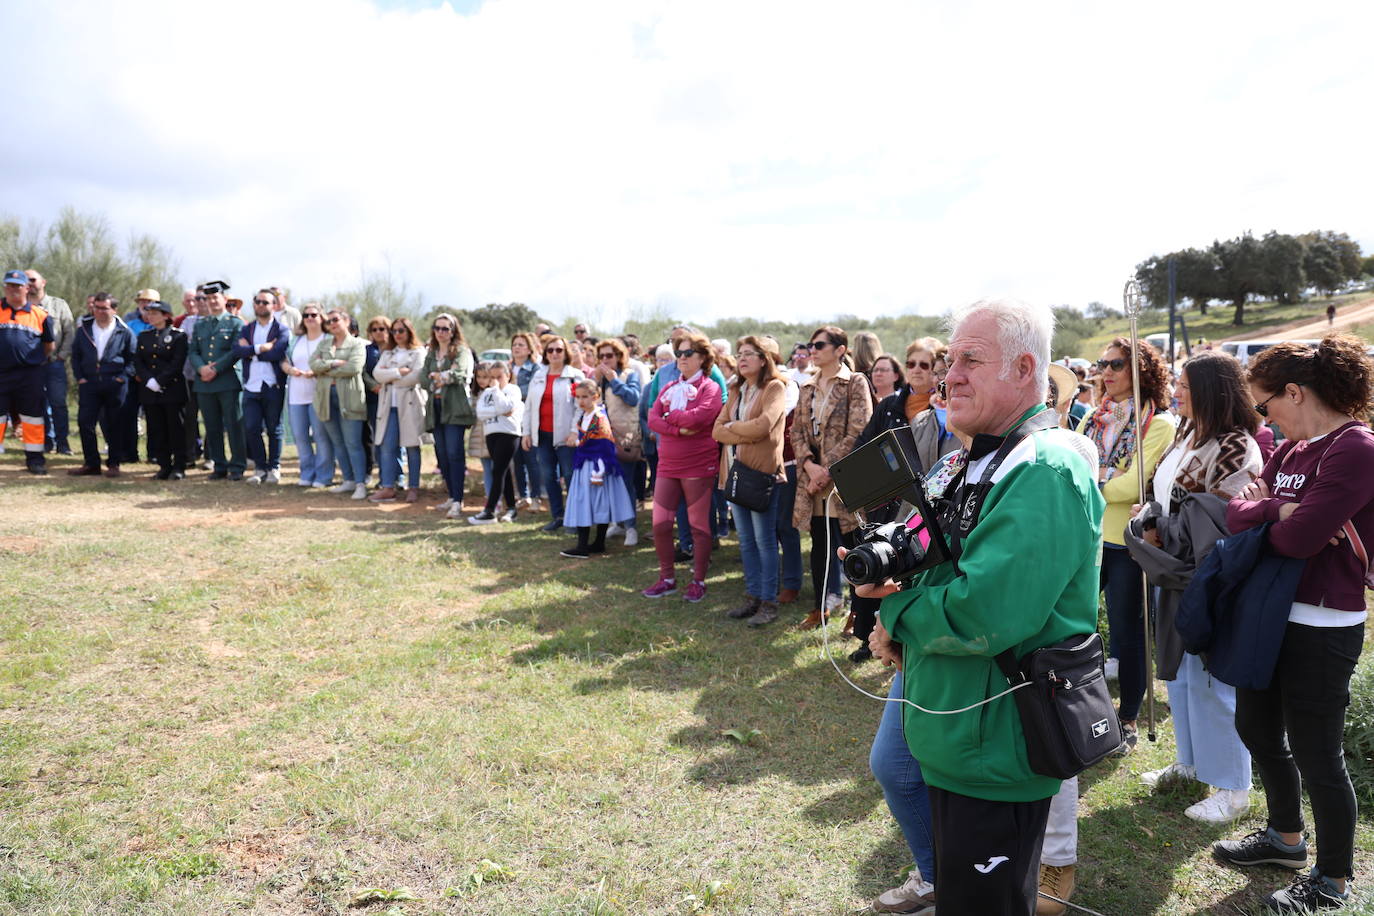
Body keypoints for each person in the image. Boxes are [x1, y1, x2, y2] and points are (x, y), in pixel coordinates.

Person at [862, 297, 1104, 915]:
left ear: (1026, 370)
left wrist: (895, 616)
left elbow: (984, 613)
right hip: (956, 732)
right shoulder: (971, 457)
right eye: (949, 360)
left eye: (972, 359)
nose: (951, 375)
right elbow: (930, 554)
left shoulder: (1044, 466)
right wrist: (883, 574)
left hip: (995, 744)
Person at [1214, 335, 1374, 913]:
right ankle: (1285, 840)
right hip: (1272, 613)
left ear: (1295, 392)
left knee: (1317, 753)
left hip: (1324, 622)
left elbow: (1300, 537)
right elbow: (1236, 512)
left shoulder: (1354, 448)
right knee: (1256, 727)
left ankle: (1333, 879)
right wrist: (1274, 512)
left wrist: (1278, 518)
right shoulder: (1294, 448)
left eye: (1265, 406)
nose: (1265, 418)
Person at [1125, 352, 1262, 826]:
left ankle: (1232, 787)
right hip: (1170, 570)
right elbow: (1161, 492)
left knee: (1211, 679)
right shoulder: (1187, 434)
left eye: (1184, 385)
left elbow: (1222, 518)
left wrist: (1163, 531)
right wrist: (1150, 522)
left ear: (1210, 390)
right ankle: (1191, 765)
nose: (1175, 392)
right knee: (1180, 676)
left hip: (1209, 578)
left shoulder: (1235, 446)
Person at [1077, 336, 1175, 751]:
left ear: (1141, 371)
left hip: (1127, 543)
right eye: (1103, 364)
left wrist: (1091, 481)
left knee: (1128, 632)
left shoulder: (1160, 423)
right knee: (1074, 624)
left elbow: (1134, 482)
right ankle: (1075, 706)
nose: (1107, 371)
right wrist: (1101, 482)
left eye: (1116, 364)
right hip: (1086, 535)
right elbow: (1074, 461)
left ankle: (1128, 718)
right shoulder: (1093, 418)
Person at [790, 326, 874, 629]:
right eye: (811, 345)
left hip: (844, 481)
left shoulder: (854, 382)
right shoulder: (808, 386)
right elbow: (796, 430)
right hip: (814, 481)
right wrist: (810, 466)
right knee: (820, 545)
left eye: (820, 345)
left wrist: (827, 471)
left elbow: (858, 429)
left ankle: (858, 613)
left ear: (840, 349)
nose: (813, 349)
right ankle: (820, 608)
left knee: (853, 546)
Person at [642, 333, 724, 601]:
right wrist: (679, 428)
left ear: (703, 358)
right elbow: (652, 418)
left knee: (699, 526)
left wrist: (672, 418)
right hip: (668, 464)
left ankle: (698, 579)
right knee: (660, 525)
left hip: (698, 465)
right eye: (679, 353)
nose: (682, 358)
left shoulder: (709, 387)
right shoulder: (668, 388)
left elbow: (701, 417)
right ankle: (667, 577)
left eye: (688, 353)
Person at [713, 335, 787, 626]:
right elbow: (717, 431)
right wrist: (741, 430)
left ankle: (769, 601)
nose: (741, 358)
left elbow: (764, 426)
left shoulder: (774, 387)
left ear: (763, 359)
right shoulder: (736, 389)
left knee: (764, 540)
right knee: (745, 541)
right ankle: (753, 595)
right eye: (739, 353)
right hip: (733, 473)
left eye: (749, 354)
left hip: (760, 475)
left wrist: (734, 429)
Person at [560, 380, 636, 557]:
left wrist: (599, 469)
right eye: (578, 397)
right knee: (589, 501)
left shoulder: (599, 418)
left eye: (585, 397)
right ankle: (593, 543)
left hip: (596, 466)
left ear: (595, 396)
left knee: (592, 502)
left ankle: (586, 545)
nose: (581, 401)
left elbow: (603, 445)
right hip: (585, 464)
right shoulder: (585, 416)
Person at [68, 292, 136, 478]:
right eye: (96, 308)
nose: (99, 312)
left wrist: (122, 377)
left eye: (104, 308)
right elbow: (76, 355)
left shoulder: (124, 331)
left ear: (114, 309)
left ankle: (114, 464)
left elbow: (133, 359)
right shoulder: (84, 329)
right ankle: (91, 464)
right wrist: (80, 376)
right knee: (85, 422)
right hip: (89, 383)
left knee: (114, 424)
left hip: (115, 384)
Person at [521, 335, 584, 530]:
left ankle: (575, 519)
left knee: (570, 475)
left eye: (559, 350)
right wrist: (526, 433)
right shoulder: (538, 375)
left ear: (566, 353)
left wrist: (575, 432)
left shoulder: (575, 375)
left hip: (566, 437)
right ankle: (558, 516)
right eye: (550, 350)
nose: (554, 353)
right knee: (549, 476)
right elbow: (529, 406)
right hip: (543, 435)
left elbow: (580, 407)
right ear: (545, 354)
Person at [189, 281, 247, 480]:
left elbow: (235, 351)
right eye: (209, 298)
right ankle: (219, 465)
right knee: (211, 427)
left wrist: (215, 368)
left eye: (216, 297)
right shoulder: (200, 325)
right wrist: (201, 368)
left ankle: (238, 465)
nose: (212, 301)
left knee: (233, 425)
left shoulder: (235, 323)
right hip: (204, 383)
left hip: (227, 381)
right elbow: (193, 351)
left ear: (224, 299)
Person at [310, 308, 369, 500]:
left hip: (350, 398)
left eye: (335, 319)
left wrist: (326, 367)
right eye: (328, 321)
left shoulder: (357, 344)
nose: (332, 324)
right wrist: (335, 363)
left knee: (353, 443)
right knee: (338, 442)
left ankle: (360, 483)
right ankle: (348, 480)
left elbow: (354, 368)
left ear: (346, 320)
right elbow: (313, 365)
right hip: (326, 398)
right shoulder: (324, 343)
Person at [421, 313, 476, 517]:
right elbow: (423, 379)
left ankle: (458, 500)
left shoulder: (461, 351)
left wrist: (439, 376)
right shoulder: (431, 352)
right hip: (435, 407)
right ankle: (452, 496)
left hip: (454, 408)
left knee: (454, 453)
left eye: (445, 328)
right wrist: (442, 376)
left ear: (453, 331)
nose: (441, 332)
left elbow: (461, 374)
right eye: (437, 328)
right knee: (441, 454)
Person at [0, 271, 54, 474]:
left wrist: (31, 361)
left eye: (17, 285)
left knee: (32, 418)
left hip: (29, 375)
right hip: (1, 373)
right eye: (9, 285)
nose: (13, 289)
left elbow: (49, 346)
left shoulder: (40, 315)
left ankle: (35, 460)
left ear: (27, 288)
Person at [233, 290, 290, 484]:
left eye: (265, 302)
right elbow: (237, 351)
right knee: (251, 428)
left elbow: (277, 353)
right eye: (257, 301)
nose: (260, 305)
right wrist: (261, 348)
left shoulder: (281, 329)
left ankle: (274, 467)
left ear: (274, 305)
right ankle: (260, 468)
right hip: (251, 386)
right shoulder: (247, 329)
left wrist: (251, 351)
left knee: (274, 429)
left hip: (272, 385)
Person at [589, 337, 642, 546]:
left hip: (625, 438)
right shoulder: (598, 378)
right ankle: (616, 523)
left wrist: (614, 381)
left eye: (609, 355)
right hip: (602, 438)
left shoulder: (630, 375)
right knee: (607, 482)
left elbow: (633, 398)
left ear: (619, 356)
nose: (605, 359)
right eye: (601, 356)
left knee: (625, 483)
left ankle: (631, 527)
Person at [369, 317, 428, 503]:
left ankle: (413, 487)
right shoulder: (388, 353)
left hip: (410, 404)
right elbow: (377, 374)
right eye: (394, 331)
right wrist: (397, 372)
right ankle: (388, 487)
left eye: (401, 331)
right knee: (387, 446)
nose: (397, 335)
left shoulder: (418, 352)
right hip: (389, 406)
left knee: (412, 446)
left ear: (409, 331)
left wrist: (391, 376)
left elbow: (415, 377)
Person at [132, 299, 189, 479]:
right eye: (149, 313)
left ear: (166, 316)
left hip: (172, 390)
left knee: (175, 429)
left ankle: (179, 466)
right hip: (150, 391)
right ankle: (164, 465)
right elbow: (138, 360)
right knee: (157, 429)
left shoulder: (178, 336)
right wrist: (149, 380)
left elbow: (177, 362)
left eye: (155, 313)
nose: (150, 316)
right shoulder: (144, 336)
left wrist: (160, 380)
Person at [282, 305, 334, 488]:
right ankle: (307, 472)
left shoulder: (328, 339)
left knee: (321, 435)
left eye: (314, 315)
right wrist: (290, 369)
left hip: (319, 395)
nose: (310, 318)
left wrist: (317, 371)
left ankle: (324, 475)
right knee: (300, 436)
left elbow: (333, 363)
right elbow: (284, 360)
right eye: (306, 315)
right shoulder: (295, 340)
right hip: (297, 395)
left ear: (321, 317)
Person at [25, 270, 74, 455]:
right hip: (30, 366)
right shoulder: (22, 307)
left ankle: (63, 443)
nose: (29, 283)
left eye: (33, 279)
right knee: (37, 404)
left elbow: (69, 332)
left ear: (43, 282)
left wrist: (62, 355)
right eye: (26, 280)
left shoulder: (58, 304)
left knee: (58, 403)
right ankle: (46, 441)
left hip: (54, 363)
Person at [469, 360, 523, 524]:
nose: (494, 381)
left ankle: (489, 511)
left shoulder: (512, 390)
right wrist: (498, 410)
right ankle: (511, 509)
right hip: (491, 434)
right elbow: (481, 413)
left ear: (508, 375)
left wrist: (497, 394)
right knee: (503, 472)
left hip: (508, 434)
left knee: (497, 471)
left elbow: (507, 407)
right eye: (492, 377)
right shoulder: (486, 392)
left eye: (499, 377)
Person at [509, 331, 543, 509]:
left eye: (521, 345)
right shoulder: (507, 367)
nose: (517, 348)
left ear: (530, 349)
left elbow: (530, 393)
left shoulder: (536, 369)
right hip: (511, 420)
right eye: (515, 344)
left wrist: (510, 392)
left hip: (528, 418)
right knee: (517, 459)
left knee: (531, 458)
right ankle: (523, 495)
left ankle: (536, 496)